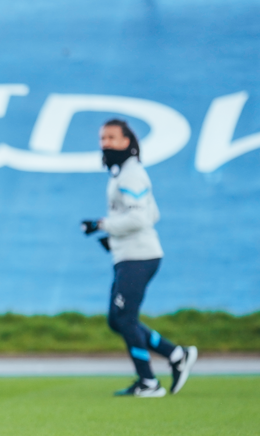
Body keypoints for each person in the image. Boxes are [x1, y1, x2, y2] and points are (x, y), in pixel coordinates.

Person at [82, 119, 197, 397]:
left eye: (111, 137)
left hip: (139, 256)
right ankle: (175, 354)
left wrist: (103, 225)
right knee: (117, 319)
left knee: (124, 317)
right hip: (129, 254)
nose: (105, 143)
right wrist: (115, 237)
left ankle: (149, 382)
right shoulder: (122, 172)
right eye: (102, 138)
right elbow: (152, 213)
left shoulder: (131, 175)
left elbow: (140, 217)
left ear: (127, 141)